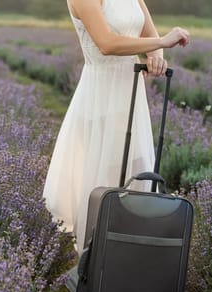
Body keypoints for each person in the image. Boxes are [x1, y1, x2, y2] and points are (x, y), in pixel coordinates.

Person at [43, 0, 190, 253]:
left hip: (130, 93)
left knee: (134, 170)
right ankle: (94, 262)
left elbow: (150, 36)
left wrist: (157, 58)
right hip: (101, 94)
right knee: (104, 177)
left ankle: (125, 253)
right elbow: (107, 43)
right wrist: (162, 42)